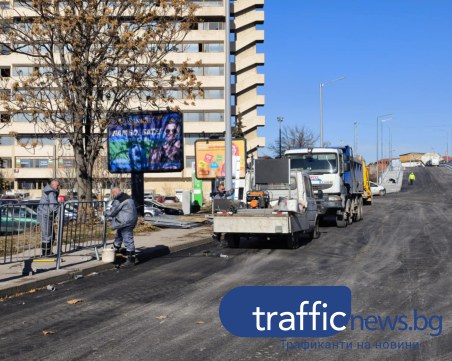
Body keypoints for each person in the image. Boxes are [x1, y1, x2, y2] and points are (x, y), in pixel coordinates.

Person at [105, 187, 138, 267]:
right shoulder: (127, 197)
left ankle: (131, 260)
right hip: (130, 220)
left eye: (112, 194)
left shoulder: (118, 200)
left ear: (114, 193)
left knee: (127, 239)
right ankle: (117, 253)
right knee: (118, 236)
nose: (112, 196)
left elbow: (113, 212)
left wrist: (105, 213)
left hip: (125, 222)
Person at [37, 179, 60, 256]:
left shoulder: (50, 191)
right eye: (57, 185)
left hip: (46, 215)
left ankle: (48, 252)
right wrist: (60, 213)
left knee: (51, 234)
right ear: (53, 185)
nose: (58, 187)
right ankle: (45, 253)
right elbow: (53, 205)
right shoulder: (51, 192)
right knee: (47, 235)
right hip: (45, 215)